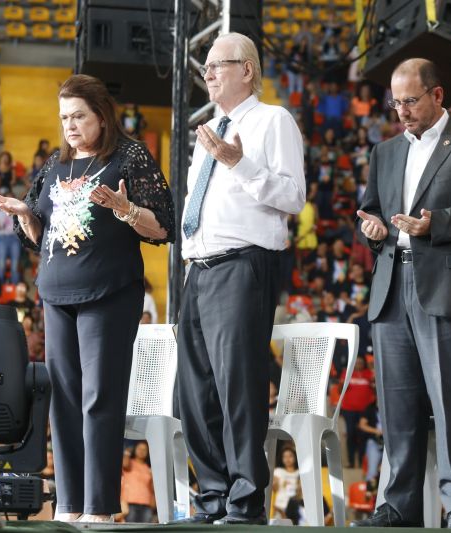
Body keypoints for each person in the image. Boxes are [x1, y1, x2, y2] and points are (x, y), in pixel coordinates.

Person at [0, 74, 174, 522]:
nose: (69, 126)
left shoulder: (129, 156)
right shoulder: (55, 165)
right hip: (57, 293)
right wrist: (25, 217)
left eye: (78, 116)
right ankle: (69, 505)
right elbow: (40, 234)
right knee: (64, 399)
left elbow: (165, 225)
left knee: (99, 397)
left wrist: (125, 209)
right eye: (64, 118)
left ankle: (99, 507)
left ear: (101, 115)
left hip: (109, 292)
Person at [352, 58, 451, 529]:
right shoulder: (383, 152)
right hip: (390, 285)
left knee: (449, 404)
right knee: (397, 406)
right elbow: (370, 210)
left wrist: (433, 224)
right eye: (395, 101)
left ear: (437, 95)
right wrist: (373, 228)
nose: (401, 110)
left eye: (410, 100)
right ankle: (398, 505)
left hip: (447, 287)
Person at [175, 32, 305, 525]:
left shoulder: (273, 121)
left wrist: (238, 162)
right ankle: (211, 497)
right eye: (204, 68)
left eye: (216, 65)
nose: (207, 74)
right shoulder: (208, 129)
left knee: (237, 386)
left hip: (243, 263)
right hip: (199, 268)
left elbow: (293, 197)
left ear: (247, 70)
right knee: (195, 392)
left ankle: (246, 502)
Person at [120, 442, 156, 523]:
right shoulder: (129, 462)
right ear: (135, 449)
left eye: (145, 449)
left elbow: (151, 488)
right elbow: (125, 464)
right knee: (130, 529)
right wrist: (127, 451)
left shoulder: (148, 468)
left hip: (146, 505)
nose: (142, 451)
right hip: (130, 504)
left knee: (145, 530)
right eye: (139, 448)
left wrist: (152, 505)